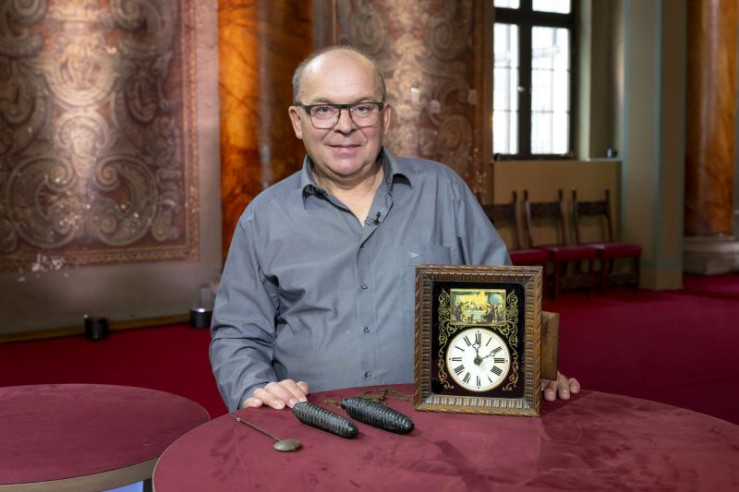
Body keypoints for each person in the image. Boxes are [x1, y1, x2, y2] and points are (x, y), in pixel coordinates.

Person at [210, 45, 579, 412]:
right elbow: (238, 335)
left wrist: (530, 366)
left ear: (385, 117)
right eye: (323, 109)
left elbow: (504, 303)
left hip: (439, 423)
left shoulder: (443, 192)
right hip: (315, 425)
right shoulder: (264, 218)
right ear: (297, 120)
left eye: (362, 108)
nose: (345, 125)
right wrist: (255, 387)